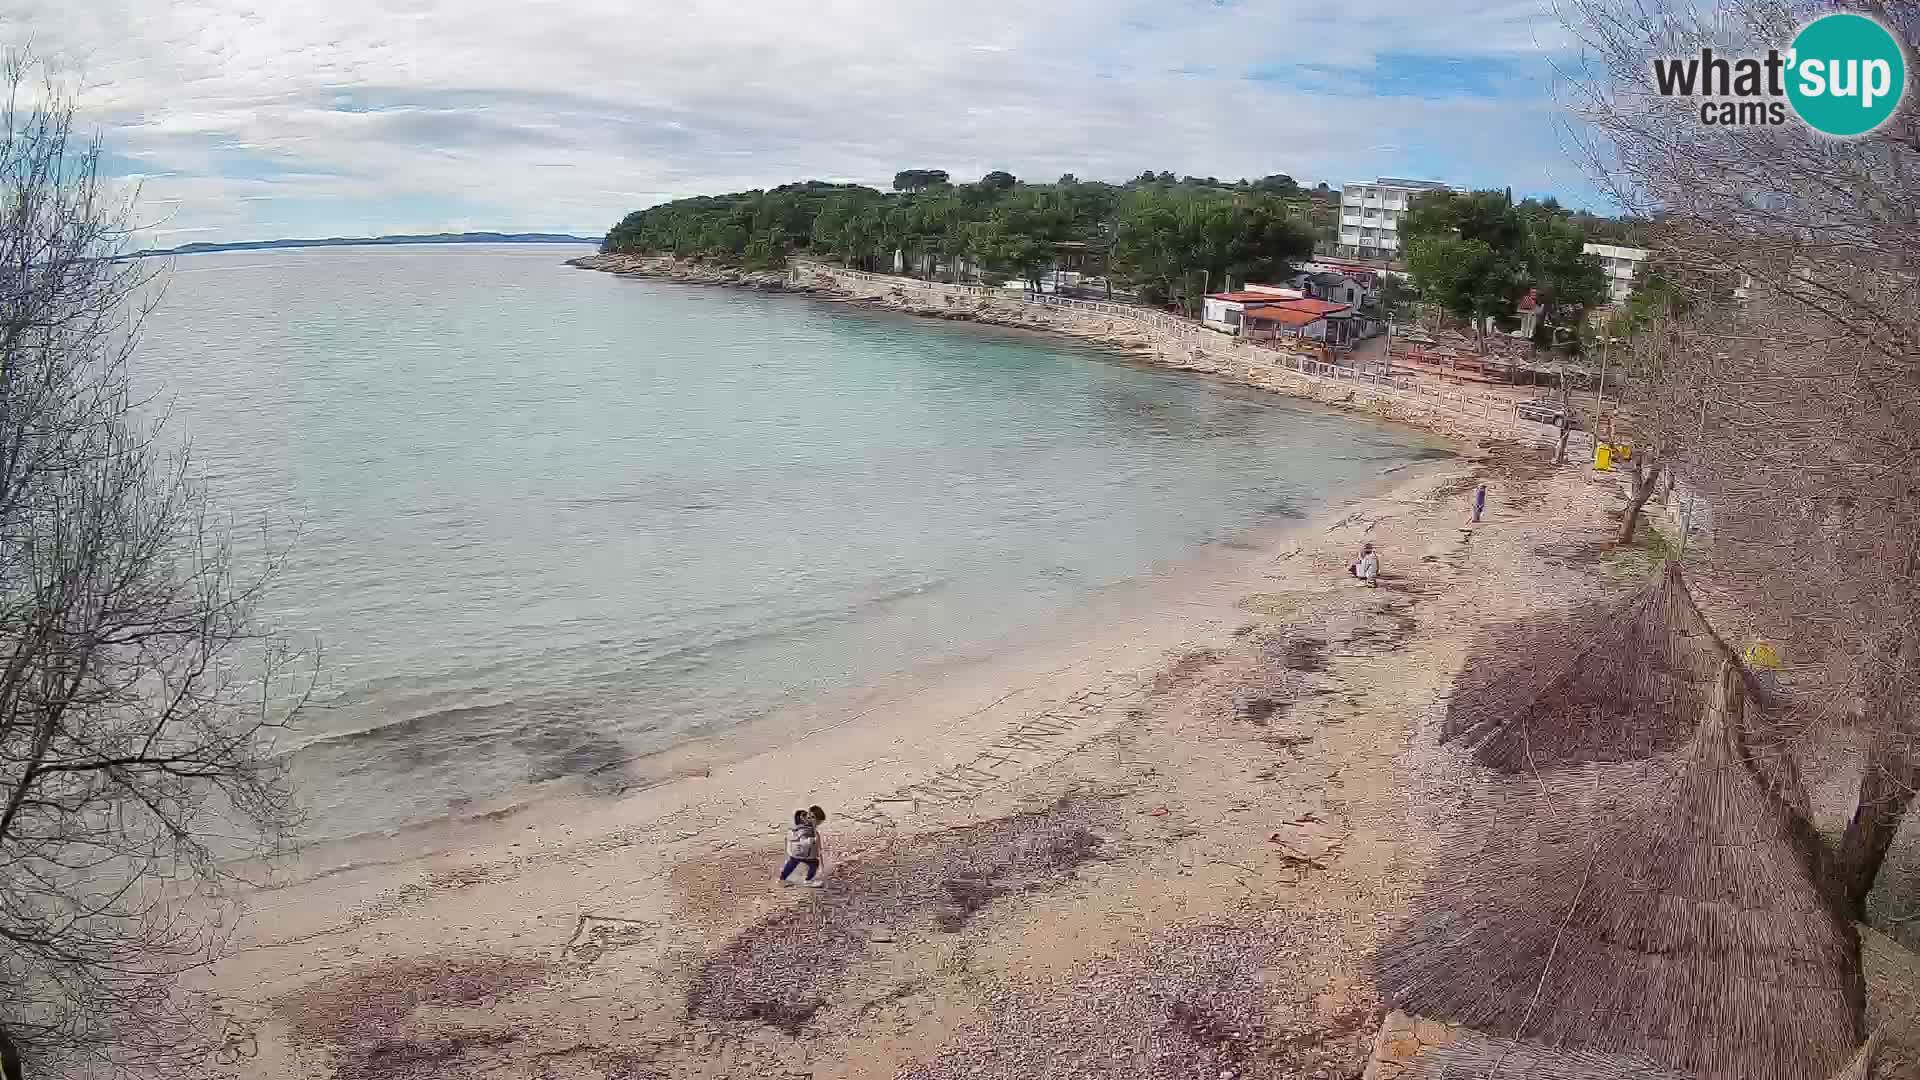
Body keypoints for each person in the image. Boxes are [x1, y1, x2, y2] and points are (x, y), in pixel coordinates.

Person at [779, 808, 823, 887]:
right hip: (802, 852)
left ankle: (782, 878)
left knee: (792, 863)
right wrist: (812, 840)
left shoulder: (801, 828)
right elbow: (803, 841)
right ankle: (808, 880)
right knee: (814, 863)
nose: (809, 819)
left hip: (796, 851)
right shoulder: (804, 830)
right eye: (807, 817)